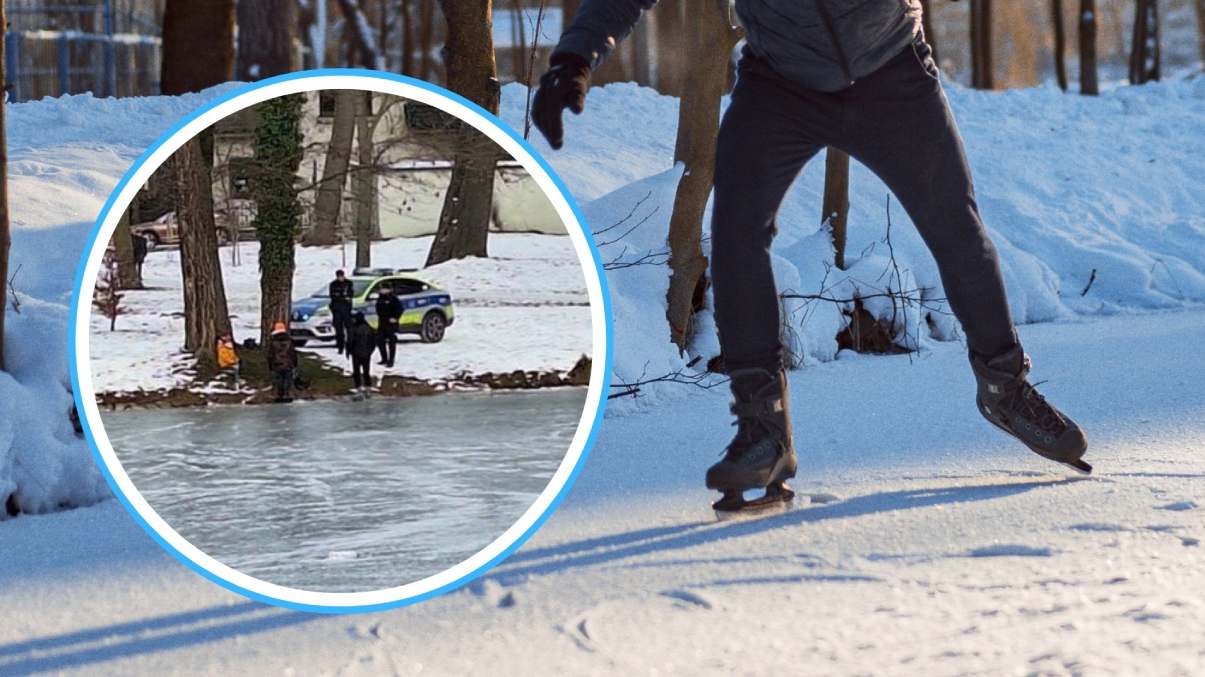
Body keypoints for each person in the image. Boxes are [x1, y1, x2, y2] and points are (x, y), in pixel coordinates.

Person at [533, 0, 1089, 507]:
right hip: (780, 83)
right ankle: (763, 430)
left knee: (955, 227)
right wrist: (575, 56)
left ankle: (1004, 386)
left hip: (891, 68)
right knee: (736, 233)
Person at [266, 321, 298, 403]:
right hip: (288, 364)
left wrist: (270, 365)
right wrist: (295, 364)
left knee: (278, 380)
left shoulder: (273, 342)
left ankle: (278, 395)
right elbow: (293, 354)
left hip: (276, 365)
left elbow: (270, 355)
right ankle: (287, 394)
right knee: (287, 380)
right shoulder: (289, 341)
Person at [348, 311, 376, 399]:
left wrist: (349, 351)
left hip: (356, 353)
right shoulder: (369, 328)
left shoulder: (353, 329)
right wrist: (370, 351)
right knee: (366, 371)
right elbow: (373, 342)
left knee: (356, 372)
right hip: (366, 354)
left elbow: (350, 341)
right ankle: (368, 389)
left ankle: (359, 389)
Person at [374, 284, 403, 367]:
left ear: (388, 290)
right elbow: (378, 309)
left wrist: (395, 318)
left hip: (391, 324)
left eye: (383, 289)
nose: (381, 291)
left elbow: (400, 309)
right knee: (380, 341)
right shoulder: (380, 299)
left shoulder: (393, 298)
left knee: (391, 342)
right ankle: (384, 358)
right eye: (381, 289)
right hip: (382, 323)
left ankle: (391, 361)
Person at [328, 269, 355, 355]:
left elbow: (351, 294)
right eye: (339, 276)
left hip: (347, 310)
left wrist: (344, 297)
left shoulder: (348, 283)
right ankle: (340, 346)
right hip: (337, 310)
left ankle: (350, 346)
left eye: (341, 276)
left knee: (349, 330)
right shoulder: (333, 284)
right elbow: (333, 296)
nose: (340, 278)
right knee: (339, 330)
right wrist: (342, 297)